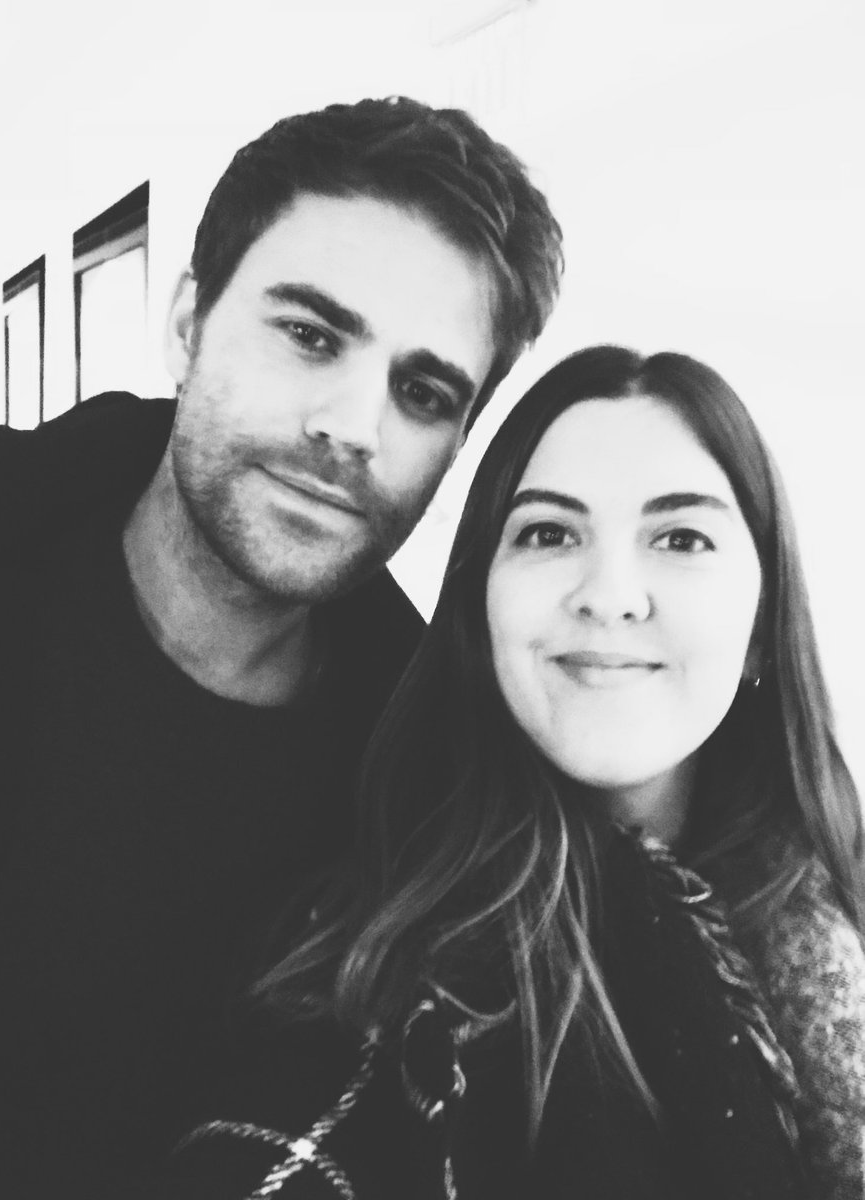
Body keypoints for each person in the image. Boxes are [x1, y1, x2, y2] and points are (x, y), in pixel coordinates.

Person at [0, 96, 563, 1196]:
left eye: (422, 391)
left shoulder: (423, 810)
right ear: (186, 324)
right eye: (310, 335)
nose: (352, 426)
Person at [155, 345, 863, 1199]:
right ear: (480, 604)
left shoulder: (837, 898)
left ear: (759, 622)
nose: (609, 594)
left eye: (680, 538)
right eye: (548, 533)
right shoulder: (357, 987)